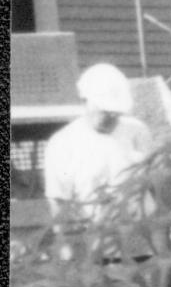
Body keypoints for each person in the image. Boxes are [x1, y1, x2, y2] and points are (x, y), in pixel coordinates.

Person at [44, 64, 156, 211]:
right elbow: (58, 200)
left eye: (116, 111)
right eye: (105, 110)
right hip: (95, 228)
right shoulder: (62, 143)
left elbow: (154, 186)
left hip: (139, 227)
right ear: (85, 101)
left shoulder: (138, 132)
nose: (112, 116)